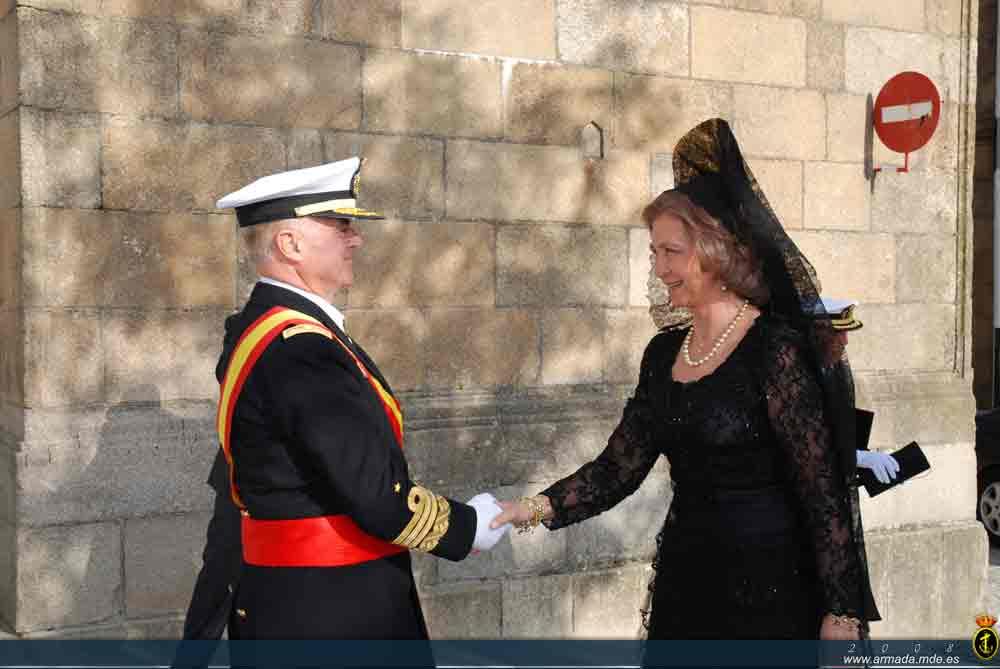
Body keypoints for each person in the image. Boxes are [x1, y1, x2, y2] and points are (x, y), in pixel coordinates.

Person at [491, 119, 875, 640]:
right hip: (687, 582)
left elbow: (822, 492)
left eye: (672, 251)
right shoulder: (662, 353)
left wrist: (841, 612)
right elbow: (617, 468)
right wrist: (533, 508)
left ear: (718, 251)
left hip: (771, 591)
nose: (659, 267)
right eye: (654, 252)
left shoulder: (774, 351)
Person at [185, 157, 509, 641]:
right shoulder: (300, 349)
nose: (354, 238)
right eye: (339, 225)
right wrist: (470, 526)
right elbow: (375, 493)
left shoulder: (269, 329)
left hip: (299, 602)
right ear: (289, 244)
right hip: (332, 613)